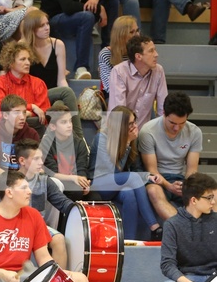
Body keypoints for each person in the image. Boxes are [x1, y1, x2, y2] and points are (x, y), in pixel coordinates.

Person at [159, 173, 217, 282]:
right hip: (190, 277)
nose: (213, 202)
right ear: (194, 200)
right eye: (209, 198)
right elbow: (167, 264)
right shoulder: (173, 225)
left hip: (215, 276)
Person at [88, 105, 163, 240]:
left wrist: (148, 176)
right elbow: (114, 171)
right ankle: (155, 227)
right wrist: (127, 142)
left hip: (118, 185)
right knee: (132, 179)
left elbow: (133, 169)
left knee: (129, 193)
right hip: (99, 184)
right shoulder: (102, 138)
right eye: (130, 123)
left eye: (134, 121)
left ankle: (129, 241)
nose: (134, 126)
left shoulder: (129, 139)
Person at [20, 9, 84, 140]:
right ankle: (79, 140)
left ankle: (76, 141)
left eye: (47, 24)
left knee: (60, 104)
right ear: (32, 28)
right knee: (65, 94)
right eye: (42, 26)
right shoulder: (23, 46)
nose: (47, 28)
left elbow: (61, 79)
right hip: (33, 95)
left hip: (52, 93)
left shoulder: (58, 44)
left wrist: (70, 98)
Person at [139, 92, 201, 222]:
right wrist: (168, 186)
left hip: (181, 179)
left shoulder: (195, 132)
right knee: (153, 191)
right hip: (157, 179)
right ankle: (182, 227)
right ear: (164, 114)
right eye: (172, 123)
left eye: (182, 123)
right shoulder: (148, 131)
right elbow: (152, 170)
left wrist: (186, 186)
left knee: (208, 194)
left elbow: (192, 170)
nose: (176, 128)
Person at [14, 139, 73, 268]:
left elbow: (63, 203)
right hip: (13, 226)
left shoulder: (45, 181)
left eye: (41, 158)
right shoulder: (9, 181)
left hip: (38, 227)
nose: (41, 162)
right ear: (22, 161)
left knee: (59, 239)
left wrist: (77, 208)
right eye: (36, 159)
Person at [40, 103, 101, 202]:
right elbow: (52, 173)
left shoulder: (79, 142)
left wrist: (84, 183)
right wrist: (74, 178)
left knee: (96, 198)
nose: (69, 125)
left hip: (74, 181)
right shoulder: (46, 143)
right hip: (56, 183)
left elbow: (82, 168)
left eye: (70, 121)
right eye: (64, 122)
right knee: (76, 191)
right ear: (52, 126)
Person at [0, 41, 49, 135]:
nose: (28, 63)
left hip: (32, 130)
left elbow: (43, 114)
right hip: (4, 132)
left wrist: (25, 114)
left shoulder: (38, 83)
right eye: (23, 59)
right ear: (11, 63)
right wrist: (31, 107)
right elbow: (2, 112)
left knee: (36, 121)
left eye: (29, 59)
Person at [108, 34, 168, 129]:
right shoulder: (119, 72)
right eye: (151, 51)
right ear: (138, 56)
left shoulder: (158, 71)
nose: (156, 54)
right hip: (121, 131)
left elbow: (163, 108)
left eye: (155, 50)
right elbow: (119, 114)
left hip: (144, 133)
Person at [0, 94, 41, 174]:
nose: (22, 117)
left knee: (54, 182)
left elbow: (39, 166)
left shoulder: (32, 134)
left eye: (24, 113)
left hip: (26, 177)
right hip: (2, 178)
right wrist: (15, 179)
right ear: (5, 115)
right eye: (16, 113)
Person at [98, 16, 139, 97]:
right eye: (132, 32)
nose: (137, 35)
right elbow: (109, 86)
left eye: (137, 31)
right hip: (114, 97)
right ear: (121, 35)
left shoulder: (140, 52)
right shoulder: (106, 54)